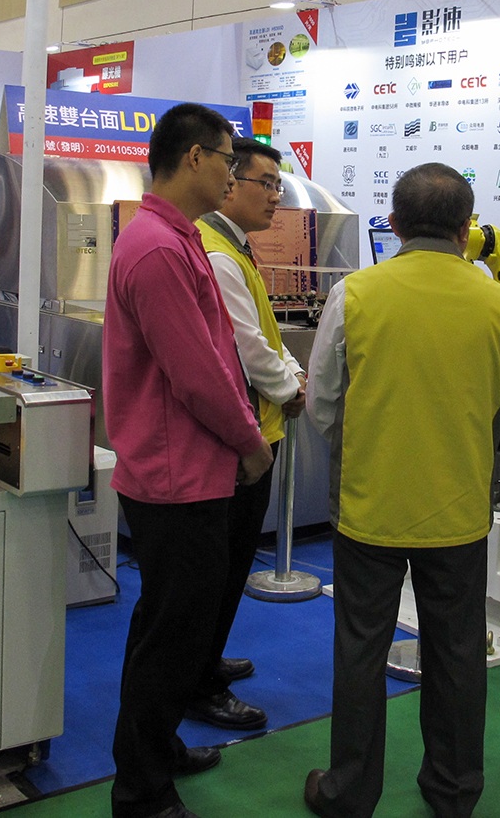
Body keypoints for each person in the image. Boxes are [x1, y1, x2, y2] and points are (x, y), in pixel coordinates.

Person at [301, 162, 500, 818]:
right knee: (457, 652)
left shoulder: (357, 293)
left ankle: (348, 792)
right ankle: (453, 790)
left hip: (369, 504)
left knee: (360, 649)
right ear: (466, 226)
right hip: (459, 507)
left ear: (393, 224)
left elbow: (322, 401)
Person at [103, 103, 273, 818]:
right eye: (230, 160)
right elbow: (198, 372)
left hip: (181, 470)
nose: (236, 175)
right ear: (196, 157)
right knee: (173, 637)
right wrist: (250, 442)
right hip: (177, 476)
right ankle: (142, 792)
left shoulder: (174, 239)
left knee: (166, 627)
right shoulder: (159, 249)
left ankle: (157, 748)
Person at [184, 137, 306, 732]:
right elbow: (245, 345)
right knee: (219, 568)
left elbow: (266, 335)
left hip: (258, 426)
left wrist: (292, 374)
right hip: (240, 441)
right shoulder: (217, 254)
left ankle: (205, 660)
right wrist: (291, 389)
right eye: (267, 183)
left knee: (229, 565)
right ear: (229, 183)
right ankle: (198, 681)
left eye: (279, 185)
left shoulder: (234, 247)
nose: (276, 197)